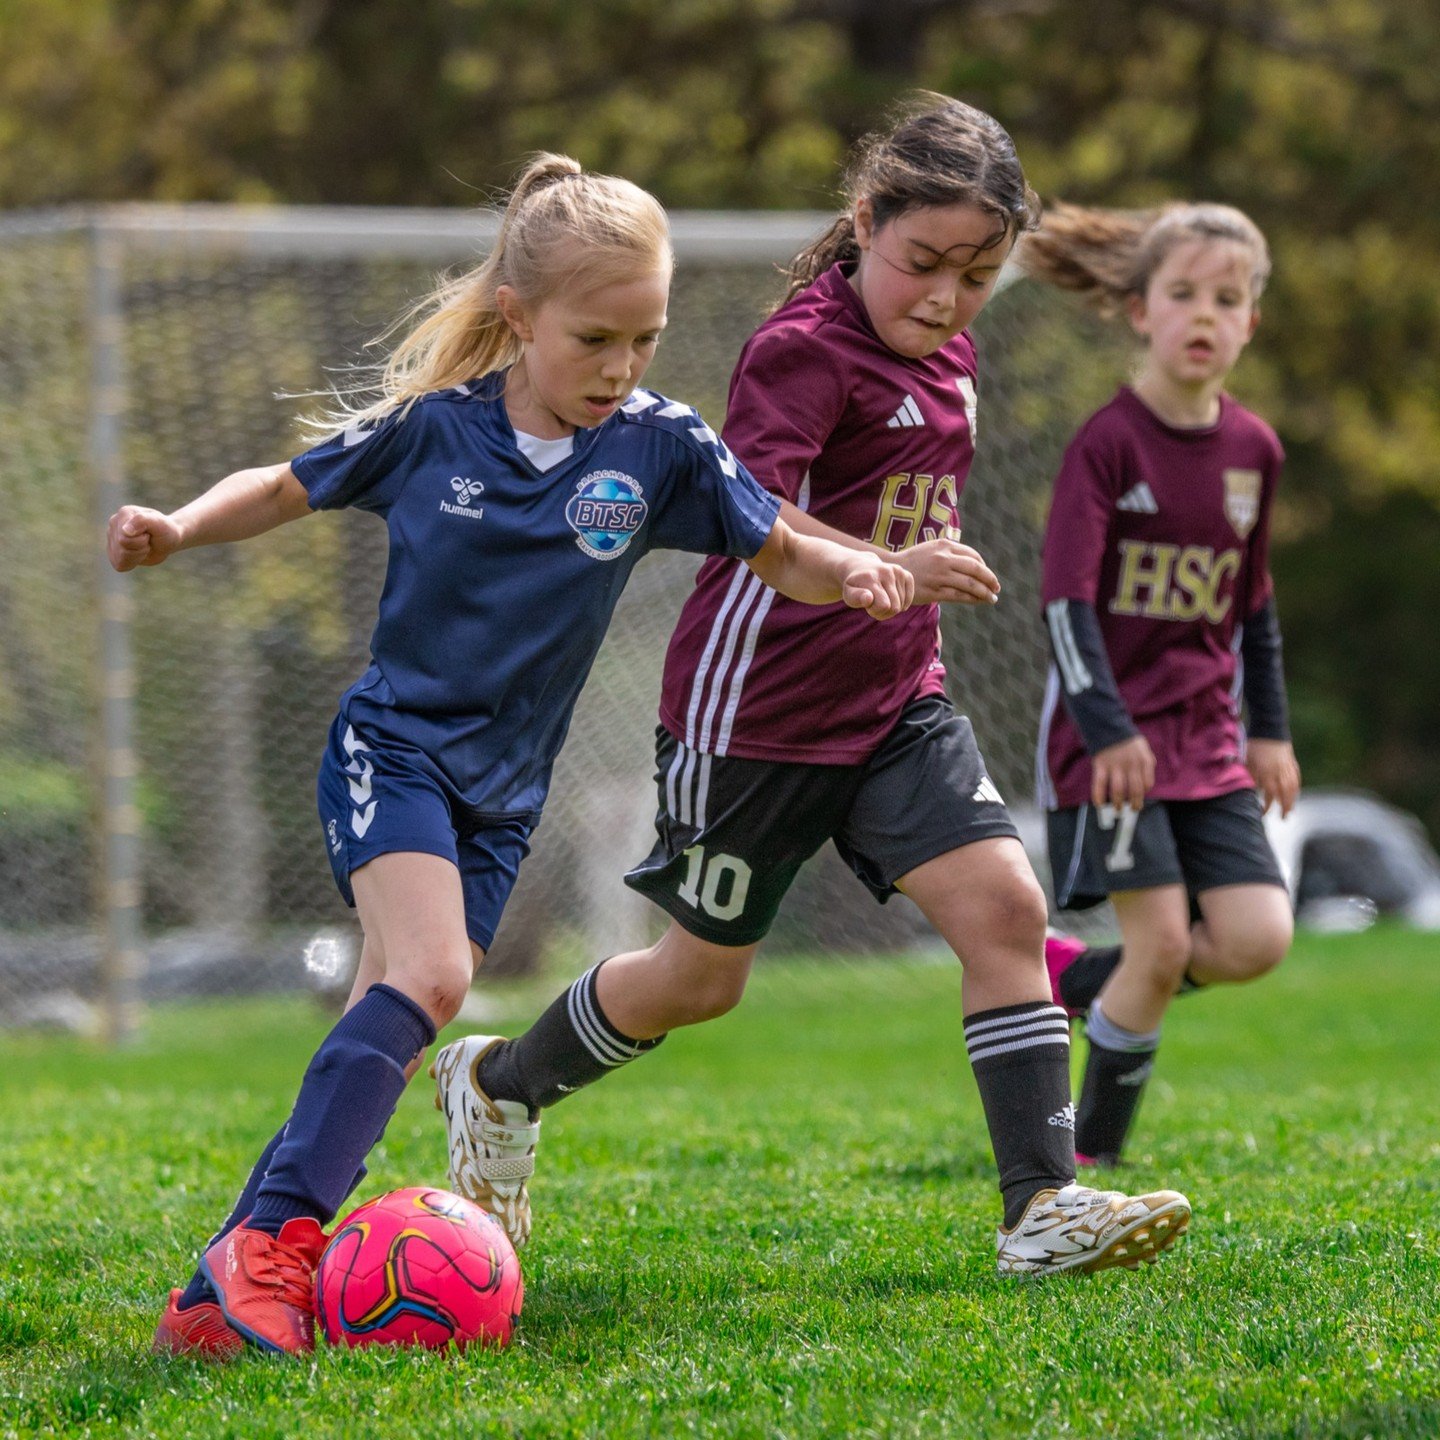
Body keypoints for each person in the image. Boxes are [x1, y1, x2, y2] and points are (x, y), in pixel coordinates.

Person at [110, 154, 917, 1359]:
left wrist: (853, 571)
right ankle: (273, 1243)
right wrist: (176, 527)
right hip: (395, 751)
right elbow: (282, 488)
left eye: (645, 338)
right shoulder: (434, 432)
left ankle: (217, 1289)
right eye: (595, 338)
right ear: (516, 318)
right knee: (432, 977)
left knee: (401, 1012)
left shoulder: (661, 449)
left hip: (501, 799)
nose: (623, 366)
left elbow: (779, 548)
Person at [436, 96, 1192, 1278]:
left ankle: (1040, 1210)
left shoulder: (954, 354)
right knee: (699, 982)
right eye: (924, 263)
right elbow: (755, 524)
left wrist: (908, 597)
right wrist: (888, 570)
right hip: (755, 719)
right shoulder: (801, 349)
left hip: (896, 706)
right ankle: (498, 1082)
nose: (945, 297)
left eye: (978, 274)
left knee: (1007, 909)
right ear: (864, 222)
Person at [1022, 201, 1301, 1166]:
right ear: (1141, 310)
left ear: (1250, 322)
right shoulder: (1109, 443)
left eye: (1228, 299)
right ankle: (1088, 1162)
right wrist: (1106, 730)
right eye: (1182, 293)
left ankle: (1075, 974)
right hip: (1112, 747)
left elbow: (1252, 606)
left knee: (1258, 938)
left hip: (1207, 740)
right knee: (1166, 950)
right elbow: (1065, 605)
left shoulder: (1254, 451)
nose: (1205, 314)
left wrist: (1271, 730)